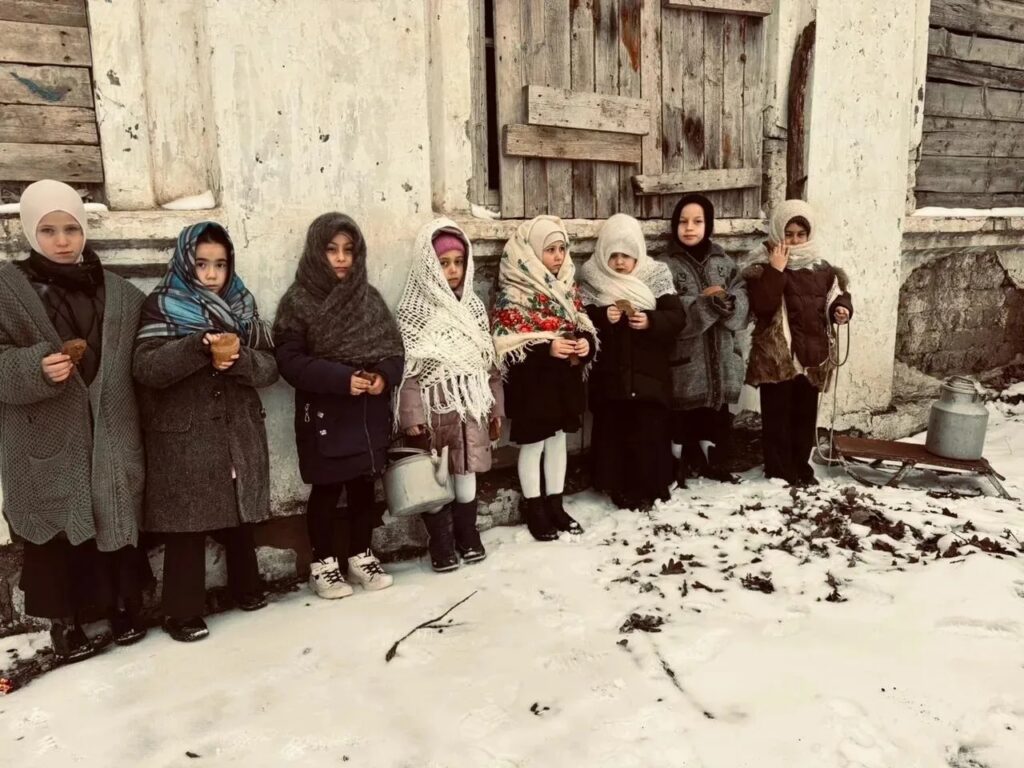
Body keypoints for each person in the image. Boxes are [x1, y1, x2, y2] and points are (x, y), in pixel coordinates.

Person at [0, 180, 149, 660]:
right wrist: (34, 369)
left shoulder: (120, 294)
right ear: (30, 232)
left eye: (71, 229)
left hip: (111, 432)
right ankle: (65, 623)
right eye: (48, 230)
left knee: (113, 514)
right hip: (42, 436)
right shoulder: (6, 289)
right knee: (56, 527)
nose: (62, 241)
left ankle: (123, 605)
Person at [134, 222, 277, 642]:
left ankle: (246, 586)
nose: (212, 274)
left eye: (221, 264)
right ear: (184, 262)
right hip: (185, 435)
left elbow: (270, 366)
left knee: (239, 511)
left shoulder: (242, 305)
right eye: (201, 264)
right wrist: (198, 347)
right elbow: (146, 368)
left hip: (235, 430)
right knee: (188, 525)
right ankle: (181, 612)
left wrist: (239, 361)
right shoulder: (162, 305)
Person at [274, 213, 404, 598]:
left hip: (366, 413)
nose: (342, 258)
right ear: (317, 252)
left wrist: (383, 377)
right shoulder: (298, 301)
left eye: (349, 250)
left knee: (364, 488)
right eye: (332, 250)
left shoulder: (369, 299)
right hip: (325, 413)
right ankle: (323, 564)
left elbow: (394, 351)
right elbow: (289, 361)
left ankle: (361, 555)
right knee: (327, 490)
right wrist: (340, 379)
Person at [396, 219, 503, 571]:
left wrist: (495, 408)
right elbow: (408, 371)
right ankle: (441, 540)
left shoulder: (473, 309)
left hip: (471, 410)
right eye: (444, 263)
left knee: (467, 472)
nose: (453, 270)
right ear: (429, 265)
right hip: (436, 411)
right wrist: (412, 417)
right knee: (436, 479)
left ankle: (467, 533)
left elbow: (489, 364)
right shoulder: (414, 312)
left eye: (459, 262)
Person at [491, 215, 596, 540]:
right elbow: (506, 344)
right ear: (532, 252)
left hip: (562, 385)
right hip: (533, 388)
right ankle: (534, 506)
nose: (558, 256)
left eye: (562, 249)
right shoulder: (514, 292)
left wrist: (585, 344)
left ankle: (555, 503)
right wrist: (547, 349)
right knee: (534, 445)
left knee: (557, 443)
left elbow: (582, 323)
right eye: (550, 250)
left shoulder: (566, 286)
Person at [741, 200, 852, 485]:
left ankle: (801, 466)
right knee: (777, 416)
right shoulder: (761, 266)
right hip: (777, 357)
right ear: (778, 232)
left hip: (811, 356)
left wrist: (841, 309)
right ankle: (779, 470)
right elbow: (763, 306)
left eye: (800, 234)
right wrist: (776, 270)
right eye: (788, 234)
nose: (794, 240)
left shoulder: (822, 269)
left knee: (804, 416)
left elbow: (836, 296)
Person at [579, 214, 685, 511]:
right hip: (611, 376)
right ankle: (617, 486)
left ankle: (652, 485)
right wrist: (603, 317)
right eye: (613, 255)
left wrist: (650, 320)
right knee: (615, 432)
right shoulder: (592, 277)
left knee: (648, 432)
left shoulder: (655, 275)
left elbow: (677, 317)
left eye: (626, 255)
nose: (619, 262)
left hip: (648, 375)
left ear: (638, 252)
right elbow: (579, 318)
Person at [659, 194, 749, 484]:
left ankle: (715, 461)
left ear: (708, 225)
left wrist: (729, 302)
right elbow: (666, 306)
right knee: (682, 414)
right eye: (683, 221)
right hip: (687, 355)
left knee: (716, 412)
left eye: (697, 221)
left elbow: (742, 292)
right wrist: (705, 304)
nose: (689, 228)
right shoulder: (665, 265)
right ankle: (677, 466)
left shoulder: (724, 262)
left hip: (721, 353)